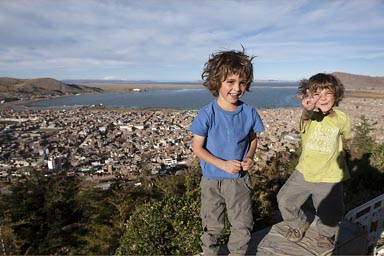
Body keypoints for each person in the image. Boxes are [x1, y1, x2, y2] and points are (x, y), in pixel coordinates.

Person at [189, 48, 265, 255]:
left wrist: (249, 157)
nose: (237, 88)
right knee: (212, 223)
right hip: (212, 179)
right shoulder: (207, 114)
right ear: (217, 82)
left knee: (242, 223)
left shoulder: (249, 112)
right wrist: (222, 164)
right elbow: (197, 147)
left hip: (239, 179)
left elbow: (253, 139)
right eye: (230, 82)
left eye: (242, 83)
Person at [277, 73, 351, 249]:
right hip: (304, 171)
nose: (323, 98)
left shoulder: (342, 118)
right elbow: (305, 117)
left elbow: (344, 138)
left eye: (328, 93)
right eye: (317, 94)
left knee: (330, 211)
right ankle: (298, 224)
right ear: (309, 97)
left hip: (330, 175)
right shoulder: (310, 117)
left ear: (337, 95)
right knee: (285, 199)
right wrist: (308, 109)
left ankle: (326, 234)